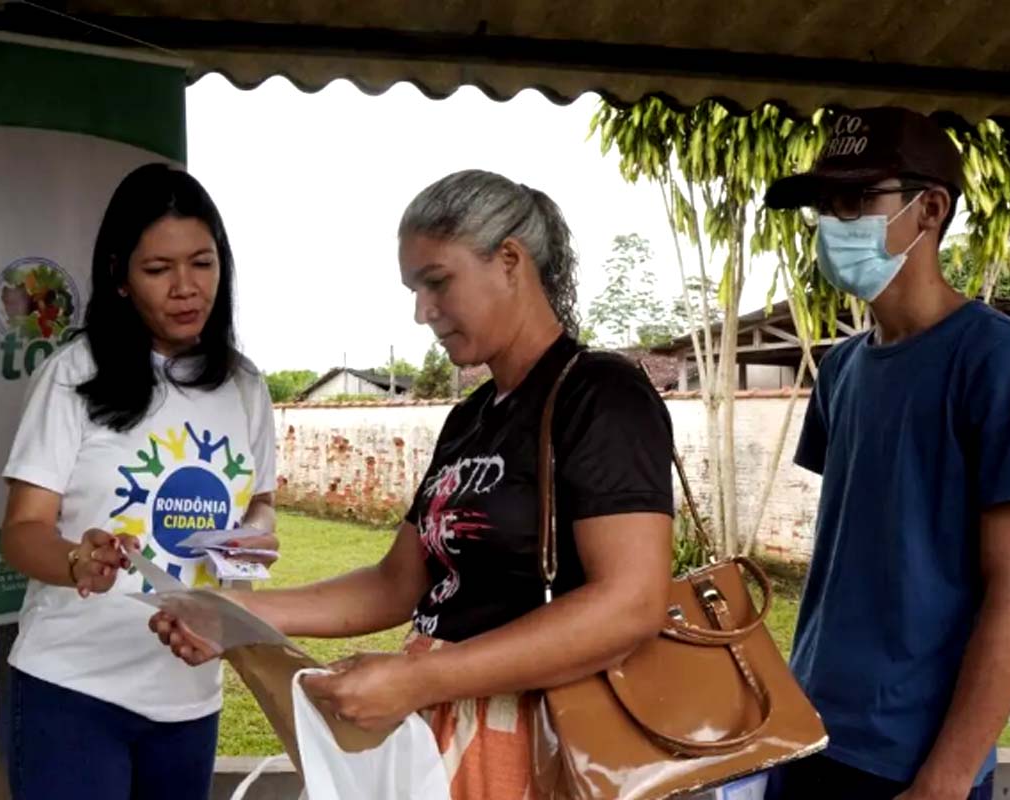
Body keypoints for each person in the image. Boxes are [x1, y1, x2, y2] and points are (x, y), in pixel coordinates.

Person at [151, 169, 676, 799]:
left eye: (437, 281)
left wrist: (420, 679)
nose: (422, 311)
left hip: (545, 743)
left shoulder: (600, 394)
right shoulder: (471, 418)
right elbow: (397, 583)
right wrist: (237, 613)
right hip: (446, 730)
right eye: (414, 289)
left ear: (509, 261)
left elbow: (631, 602)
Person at [762, 108, 1010, 800]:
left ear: (929, 209)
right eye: (823, 205)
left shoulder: (1001, 359)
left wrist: (947, 777)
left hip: (908, 760)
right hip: (808, 729)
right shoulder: (841, 370)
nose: (832, 223)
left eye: (855, 200)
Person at [0, 164, 279, 800]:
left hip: (190, 696)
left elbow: (262, 507)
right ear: (121, 278)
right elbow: (21, 531)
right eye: (158, 269)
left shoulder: (244, 385)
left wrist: (246, 544)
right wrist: (76, 560)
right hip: (72, 690)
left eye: (202, 263)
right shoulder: (74, 375)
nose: (186, 288)